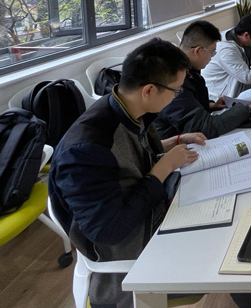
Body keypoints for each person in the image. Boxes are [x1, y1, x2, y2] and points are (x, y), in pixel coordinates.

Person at [48, 38, 207, 307]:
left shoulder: (125, 107)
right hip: (123, 244)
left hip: (143, 206)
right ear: (149, 90)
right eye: (176, 90)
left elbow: (133, 153)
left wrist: (176, 140)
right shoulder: (86, 151)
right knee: (214, 243)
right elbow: (108, 230)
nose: (176, 96)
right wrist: (163, 169)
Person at [155, 21, 251, 139]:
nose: (212, 57)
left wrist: (210, 105)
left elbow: (190, 105)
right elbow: (203, 128)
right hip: (175, 144)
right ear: (197, 51)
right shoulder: (174, 80)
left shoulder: (190, 70)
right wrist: (249, 110)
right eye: (212, 52)